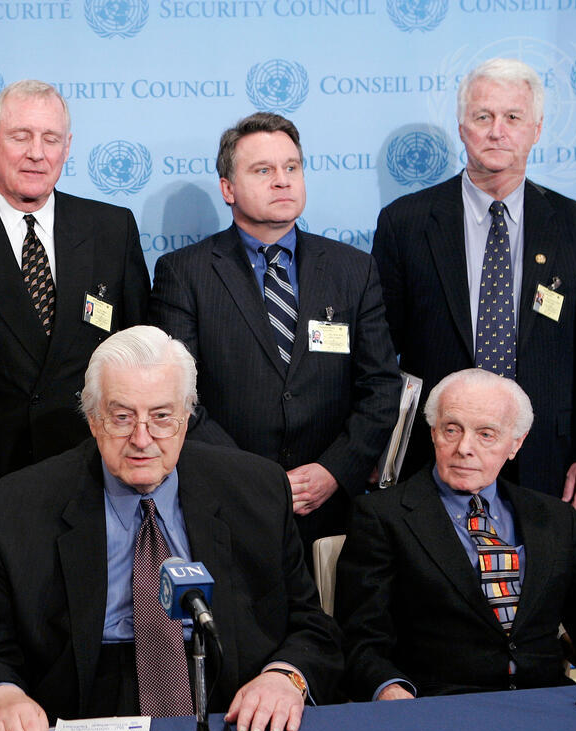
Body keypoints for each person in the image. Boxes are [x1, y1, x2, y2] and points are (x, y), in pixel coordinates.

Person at [0, 325, 342, 731]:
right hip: (78, 711)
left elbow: (311, 625)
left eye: (161, 416)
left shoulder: (256, 491)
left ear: (187, 417)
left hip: (228, 701)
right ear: (93, 419)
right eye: (121, 417)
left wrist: (284, 677)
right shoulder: (15, 509)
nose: (141, 438)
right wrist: (2, 698)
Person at [373, 57, 576, 515]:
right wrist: (377, 443)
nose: (497, 131)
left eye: (513, 117)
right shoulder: (405, 222)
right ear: (463, 127)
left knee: (539, 581)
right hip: (437, 450)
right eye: (483, 116)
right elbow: (381, 352)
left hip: (544, 454)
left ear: (537, 129)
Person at [149, 112, 400, 547]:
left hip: (330, 507)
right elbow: (177, 398)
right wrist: (254, 480)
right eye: (263, 170)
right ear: (228, 188)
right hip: (227, 503)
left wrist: (334, 470)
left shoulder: (352, 269)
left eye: (291, 167)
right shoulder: (184, 273)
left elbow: (380, 386)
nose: (282, 181)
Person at [0, 79, 150, 497]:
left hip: (96, 472)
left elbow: (141, 349)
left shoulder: (112, 229)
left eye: (50, 139)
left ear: (67, 147)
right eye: (21, 136)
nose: (37, 153)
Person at [336, 368, 576, 700]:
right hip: (438, 710)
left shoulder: (556, 519)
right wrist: (389, 690)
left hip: (548, 704)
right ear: (434, 432)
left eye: (486, 434)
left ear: (515, 443)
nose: (465, 447)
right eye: (452, 429)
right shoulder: (382, 516)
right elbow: (362, 640)